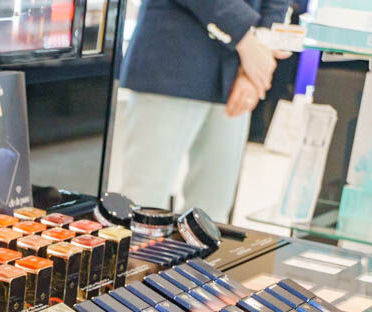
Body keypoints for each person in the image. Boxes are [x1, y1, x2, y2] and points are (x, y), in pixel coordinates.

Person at [112, 0, 292, 221]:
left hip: (234, 72)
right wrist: (246, 41)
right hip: (172, 58)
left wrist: (255, 63)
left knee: (212, 210)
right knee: (145, 202)